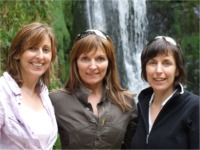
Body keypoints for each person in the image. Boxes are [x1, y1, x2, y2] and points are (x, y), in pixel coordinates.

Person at [49, 29, 138, 149]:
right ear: (75, 62)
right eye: (85, 59)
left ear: (109, 63)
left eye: (100, 59)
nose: (92, 66)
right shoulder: (56, 101)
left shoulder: (126, 101)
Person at [131, 36, 199, 149]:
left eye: (166, 63)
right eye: (152, 63)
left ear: (177, 70)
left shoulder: (194, 107)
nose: (158, 70)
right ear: (145, 68)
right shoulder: (141, 106)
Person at [0, 22, 58, 149]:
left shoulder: (43, 93)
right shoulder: (2, 92)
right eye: (32, 48)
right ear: (17, 54)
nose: (40, 56)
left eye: (46, 50)